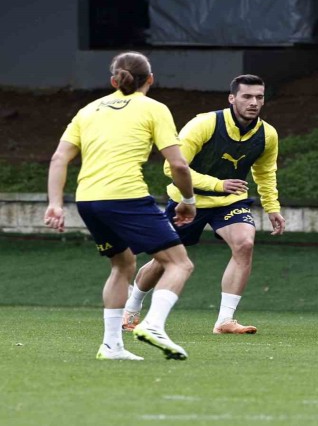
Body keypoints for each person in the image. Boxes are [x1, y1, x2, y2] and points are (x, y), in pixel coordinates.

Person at [44, 51, 196, 360]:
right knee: (179, 264)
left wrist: (55, 204)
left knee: (123, 264)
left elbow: (59, 158)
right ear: (150, 79)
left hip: (88, 200)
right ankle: (153, 325)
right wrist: (188, 201)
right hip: (125, 196)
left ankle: (112, 345)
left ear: (114, 81)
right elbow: (179, 165)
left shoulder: (88, 110)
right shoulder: (154, 108)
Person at [122, 74, 285, 335]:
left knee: (244, 244)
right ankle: (132, 307)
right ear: (232, 98)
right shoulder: (204, 124)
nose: (254, 102)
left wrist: (272, 207)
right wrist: (218, 184)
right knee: (164, 261)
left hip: (230, 202)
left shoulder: (268, 134)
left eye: (259, 97)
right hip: (188, 202)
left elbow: (265, 173)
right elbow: (172, 167)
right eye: (246, 96)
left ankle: (225, 320)